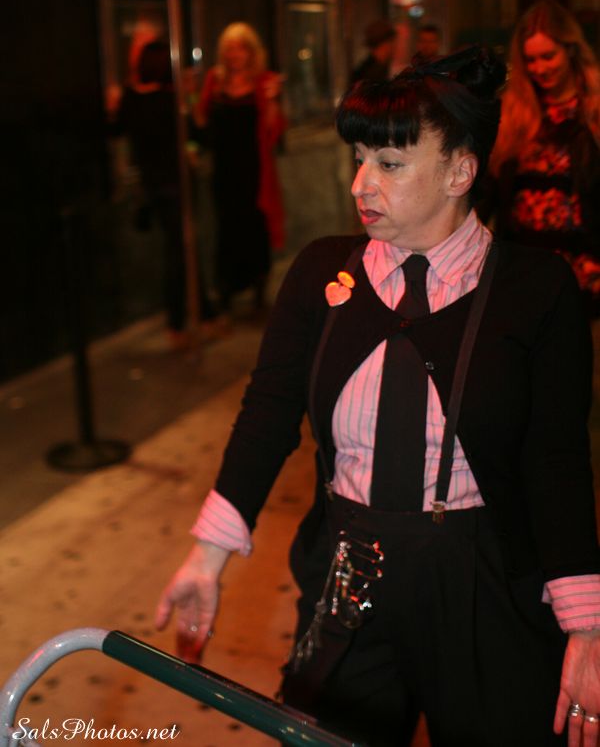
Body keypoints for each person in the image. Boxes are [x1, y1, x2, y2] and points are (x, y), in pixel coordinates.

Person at [156, 46, 600, 746]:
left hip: (478, 579)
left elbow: (556, 461)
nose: (361, 183)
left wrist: (586, 626)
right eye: (359, 159)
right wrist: (207, 557)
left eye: (389, 164)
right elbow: (267, 414)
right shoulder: (319, 274)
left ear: (459, 172)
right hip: (346, 571)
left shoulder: (535, 290)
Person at [485, 0, 600, 314]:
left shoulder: (593, 110)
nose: (540, 69)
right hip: (524, 268)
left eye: (548, 56)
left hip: (585, 271)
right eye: (531, 60)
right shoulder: (514, 111)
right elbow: (491, 191)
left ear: (570, 49)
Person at [193, 22, 286, 314]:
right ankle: (227, 291)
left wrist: (272, 101)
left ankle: (258, 291)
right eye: (229, 49)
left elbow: (273, 132)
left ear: (251, 52)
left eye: (240, 49)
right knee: (226, 229)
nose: (234, 55)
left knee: (255, 228)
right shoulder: (214, 80)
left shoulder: (263, 81)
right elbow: (200, 121)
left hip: (254, 170)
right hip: (223, 170)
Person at [111, 40, 188, 348]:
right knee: (179, 251)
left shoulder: (130, 99)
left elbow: (116, 130)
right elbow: (191, 135)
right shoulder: (170, 100)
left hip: (151, 184)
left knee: (181, 248)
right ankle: (177, 321)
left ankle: (203, 314)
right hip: (174, 182)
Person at [349, 19, 397, 85]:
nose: (394, 47)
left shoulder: (371, 67)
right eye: (391, 42)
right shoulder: (373, 73)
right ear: (384, 44)